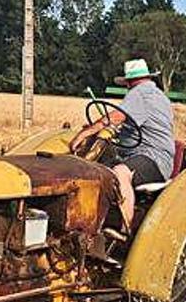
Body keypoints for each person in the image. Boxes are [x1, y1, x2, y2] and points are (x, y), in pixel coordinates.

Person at [69, 58, 174, 233]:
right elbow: (129, 124)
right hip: (147, 155)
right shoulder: (158, 95)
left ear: (129, 82)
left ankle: (125, 230)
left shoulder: (139, 93)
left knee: (120, 173)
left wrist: (84, 134)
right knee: (99, 166)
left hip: (152, 157)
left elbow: (116, 117)